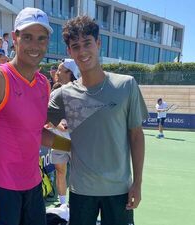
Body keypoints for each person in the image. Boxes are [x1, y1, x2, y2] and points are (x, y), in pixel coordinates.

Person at [46, 15, 148, 225]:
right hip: (81, 191)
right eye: (76, 46)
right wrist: (67, 144)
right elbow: (33, 128)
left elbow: (136, 136)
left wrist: (137, 183)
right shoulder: (63, 94)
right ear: (69, 52)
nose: (82, 51)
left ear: (98, 43)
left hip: (119, 191)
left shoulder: (126, 85)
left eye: (87, 43)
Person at [0, 7, 56, 225]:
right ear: (14, 38)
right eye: (28, 37)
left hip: (33, 188)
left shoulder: (43, 83)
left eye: (41, 39)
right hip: (1, 190)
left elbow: (36, 133)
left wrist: (72, 144)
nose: (35, 46)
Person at [49, 58, 79, 207]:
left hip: (78, 143)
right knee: (60, 171)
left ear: (70, 73)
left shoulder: (82, 92)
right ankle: (62, 205)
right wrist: (56, 124)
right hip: (59, 141)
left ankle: (78, 205)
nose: (56, 72)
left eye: (60, 70)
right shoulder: (54, 92)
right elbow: (47, 118)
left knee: (78, 175)